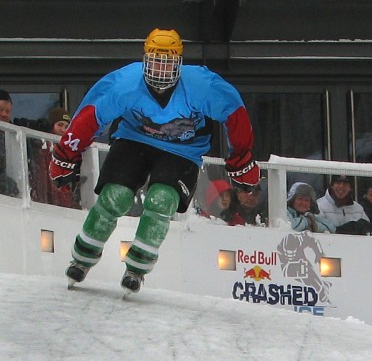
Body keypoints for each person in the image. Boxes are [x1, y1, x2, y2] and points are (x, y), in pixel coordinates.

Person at [49, 28, 260, 294]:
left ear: (179, 64)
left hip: (184, 151)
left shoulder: (201, 85)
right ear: (144, 60)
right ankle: (82, 257)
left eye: (167, 63)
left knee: (162, 200)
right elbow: (90, 116)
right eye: (155, 62)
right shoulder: (125, 84)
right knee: (115, 196)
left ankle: (138, 266)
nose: (160, 71)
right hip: (133, 139)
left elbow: (234, 112)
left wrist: (241, 157)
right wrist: (66, 154)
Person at [29, 108, 79, 208]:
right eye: (59, 125)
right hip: (47, 202)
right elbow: (43, 177)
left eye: (66, 126)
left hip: (64, 203)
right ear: (52, 125)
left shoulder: (70, 148)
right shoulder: (44, 147)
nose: (63, 130)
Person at [0, 90, 19, 197]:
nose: (4, 114)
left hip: (14, 198)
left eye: (8, 111)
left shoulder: (16, 136)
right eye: (0, 110)